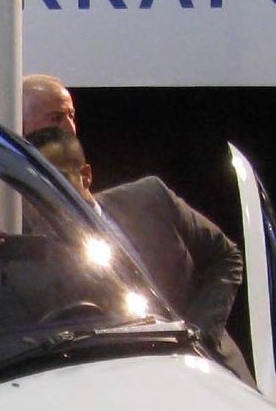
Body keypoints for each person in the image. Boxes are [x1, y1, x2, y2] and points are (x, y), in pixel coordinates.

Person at [30, 126, 253, 382]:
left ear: (86, 175)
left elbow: (225, 256)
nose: (47, 194)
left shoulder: (150, 197)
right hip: (130, 390)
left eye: (56, 179)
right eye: (37, 185)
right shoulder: (39, 258)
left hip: (214, 369)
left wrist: (199, 334)